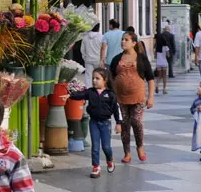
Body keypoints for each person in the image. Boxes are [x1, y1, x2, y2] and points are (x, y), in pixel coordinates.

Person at [110, 31, 155, 163]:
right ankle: (127, 152)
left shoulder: (141, 58)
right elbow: (110, 77)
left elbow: (150, 79)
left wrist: (151, 97)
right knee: (125, 124)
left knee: (136, 120)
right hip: (121, 98)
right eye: (122, 39)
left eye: (126, 40)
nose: (123, 42)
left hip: (138, 96)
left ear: (134, 43)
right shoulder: (117, 59)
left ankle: (140, 146)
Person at [69, 68, 122, 178]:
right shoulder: (91, 92)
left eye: (97, 78)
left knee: (106, 147)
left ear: (105, 80)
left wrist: (118, 123)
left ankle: (110, 159)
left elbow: (117, 109)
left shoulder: (110, 94)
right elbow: (81, 95)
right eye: (93, 78)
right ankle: (96, 167)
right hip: (93, 122)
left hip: (105, 123)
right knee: (95, 146)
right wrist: (69, 95)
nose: (94, 80)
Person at [80, 23, 104, 87]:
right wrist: (102, 59)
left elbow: (82, 50)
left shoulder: (85, 37)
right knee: (99, 76)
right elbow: (103, 49)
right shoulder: (101, 37)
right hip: (98, 60)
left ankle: (89, 92)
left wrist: (85, 58)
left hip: (88, 60)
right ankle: (98, 91)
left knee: (88, 77)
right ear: (98, 28)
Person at [153, 30, 170, 94]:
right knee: (164, 76)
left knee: (159, 76)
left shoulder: (157, 47)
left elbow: (155, 56)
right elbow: (168, 55)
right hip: (164, 62)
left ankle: (157, 85)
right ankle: (164, 89)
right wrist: (167, 55)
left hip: (158, 63)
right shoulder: (166, 47)